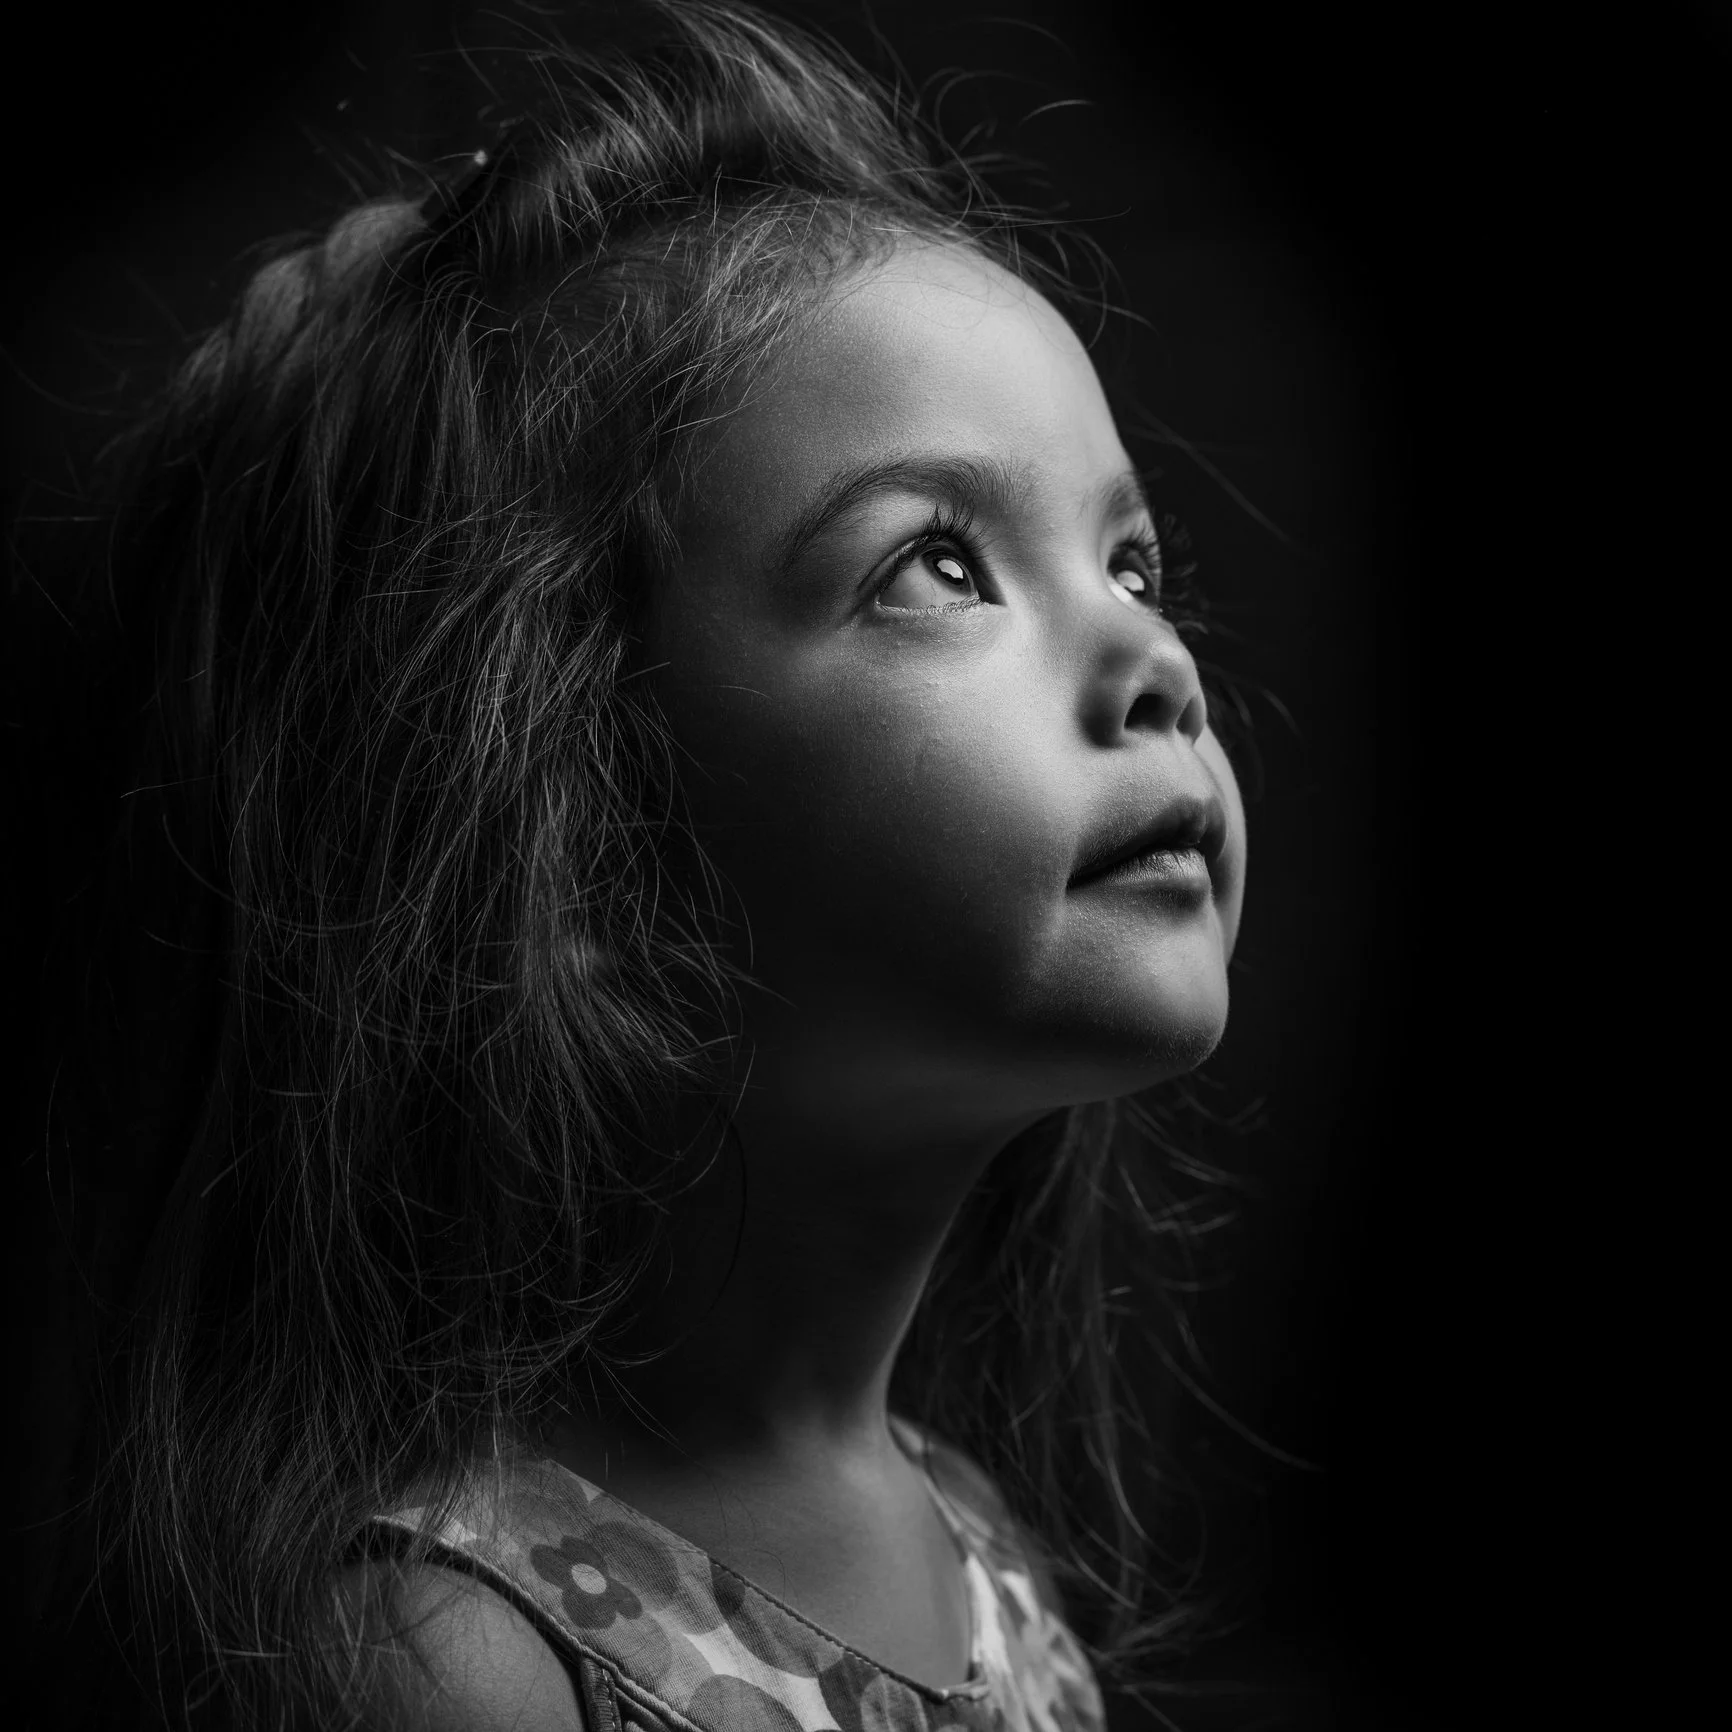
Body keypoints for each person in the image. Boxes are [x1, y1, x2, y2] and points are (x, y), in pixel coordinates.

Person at [45, 3, 1248, 1726]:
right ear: (587, 859)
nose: (1157, 663)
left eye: (1135, 566)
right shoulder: (445, 1664)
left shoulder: (989, 1559)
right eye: (941, 565)